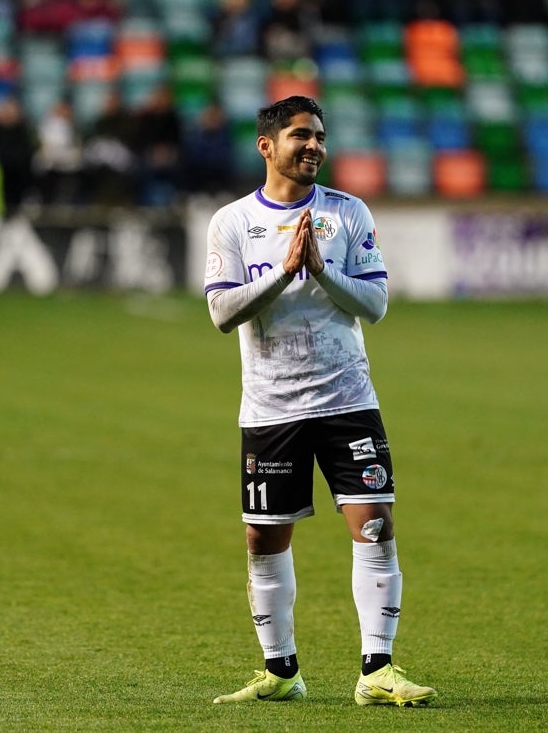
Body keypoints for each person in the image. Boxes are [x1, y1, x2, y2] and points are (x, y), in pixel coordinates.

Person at [204, 96, 436, 707]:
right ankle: (281, 671)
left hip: (347, 399)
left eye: (320, 138)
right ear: (267, 146)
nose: (314, 147)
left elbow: (376, 305)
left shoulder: (347, 213)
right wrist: (283, 273)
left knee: (376, 527)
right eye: (301, 136)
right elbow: (221, 313)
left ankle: (377, 669)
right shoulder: (231, 222)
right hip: (271, 408)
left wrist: (319, 271)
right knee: (263, 541)